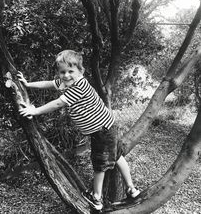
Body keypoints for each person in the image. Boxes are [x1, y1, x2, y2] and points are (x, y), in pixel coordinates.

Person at [18, 50, 140, 211]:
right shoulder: (65, 82)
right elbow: (49, 83)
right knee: (117, 157)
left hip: (102, 131)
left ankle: (96, 198)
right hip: (105, 127)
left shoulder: (80, 85)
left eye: (71, 71)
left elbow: (57, 103)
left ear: (80, 71)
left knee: (100, 164)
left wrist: (35, 111)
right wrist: (28, 84)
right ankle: (132, 189)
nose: (66, 75)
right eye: (62, 72)